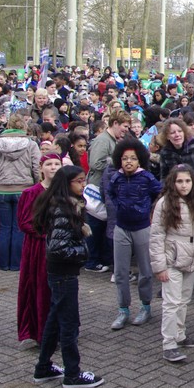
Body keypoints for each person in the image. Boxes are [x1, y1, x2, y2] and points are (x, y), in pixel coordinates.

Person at [30, 165, 104, 388]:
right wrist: (83, 252)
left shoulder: (68, 205)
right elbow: (58, 248)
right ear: (67, 184)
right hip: (63, 273)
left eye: (84, 180)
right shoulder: (63, 208)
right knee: (68, 323)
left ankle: (43, 367)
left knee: (54, 320)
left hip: (62, 273)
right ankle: (73, 374)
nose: (83, 185)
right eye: (79, 181)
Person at [150, 165, 194, 362]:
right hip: (172, 258)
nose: (184, 185)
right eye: (179, 181)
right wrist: (159, 266)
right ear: (172, 183)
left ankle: (180, 334)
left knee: (184, 299)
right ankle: (169, 344)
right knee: (171, 302)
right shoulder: (165, 203)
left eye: (187, 181)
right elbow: (156, 235)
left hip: (191, 257)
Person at [105, 138, 163, 331]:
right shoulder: (116, 178)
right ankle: (123, 309)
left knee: (145, 271)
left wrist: (148, 209)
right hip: (121, 228)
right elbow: (110, 193)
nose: (128, 162)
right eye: (124, 158)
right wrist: (119, 207)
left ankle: (146, 307)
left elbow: (159, 193)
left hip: (142, 228)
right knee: (120, 272)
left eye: (133, 158)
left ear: (140, 160)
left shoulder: (147, 177)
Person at [17, 154, 63, 344]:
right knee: (39, 287)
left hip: (61, 247)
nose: (53, 167)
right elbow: (24, 222)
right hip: (38, 247)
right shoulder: (31, 192)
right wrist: (47, 233)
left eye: (57, 164)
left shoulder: (65, 191)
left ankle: (61, 331)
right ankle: (39, 332)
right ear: (41, 167)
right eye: (49, 164)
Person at [0, 114, 42, 271]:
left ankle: (4, 263)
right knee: (19, 227)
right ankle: (17, 264)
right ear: (23, 127)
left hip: (2, 189)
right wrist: (37, 187)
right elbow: (36, 168)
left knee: (5, 227)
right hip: (24, 189)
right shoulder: (31, 144)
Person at [84, 110, 132, 272]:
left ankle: (102, 258)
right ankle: (92, 261)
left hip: (106, 188)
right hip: (96, 189)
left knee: (102, 226)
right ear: (115, 123)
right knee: (95, 226)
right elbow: (95, 163)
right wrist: (117, 163)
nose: (126, 130)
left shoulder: (113, 140)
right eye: (125, 126)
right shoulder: (103, 140)